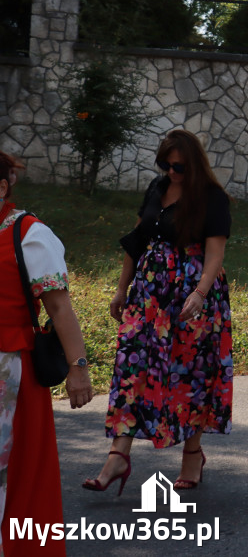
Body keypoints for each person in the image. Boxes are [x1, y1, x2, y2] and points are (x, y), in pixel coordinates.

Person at [84, 129, 232, 494]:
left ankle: (192, 454)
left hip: (192, 298)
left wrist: (199, 292)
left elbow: (214, 254)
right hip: (148, 295)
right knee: (131, 366)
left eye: (178, 166)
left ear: (193, 163)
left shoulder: (213, 198)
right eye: (164, 164)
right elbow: (137, 241)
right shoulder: (157, 186)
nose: (171, 171)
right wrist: (121, 289)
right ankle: (118, 455)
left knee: (191, 375)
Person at [1, 151, 93, 557]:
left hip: (9, 373)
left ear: (3, 187)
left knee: (14, 470)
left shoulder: (27, 233)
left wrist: (79, 368)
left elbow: (59, 308)